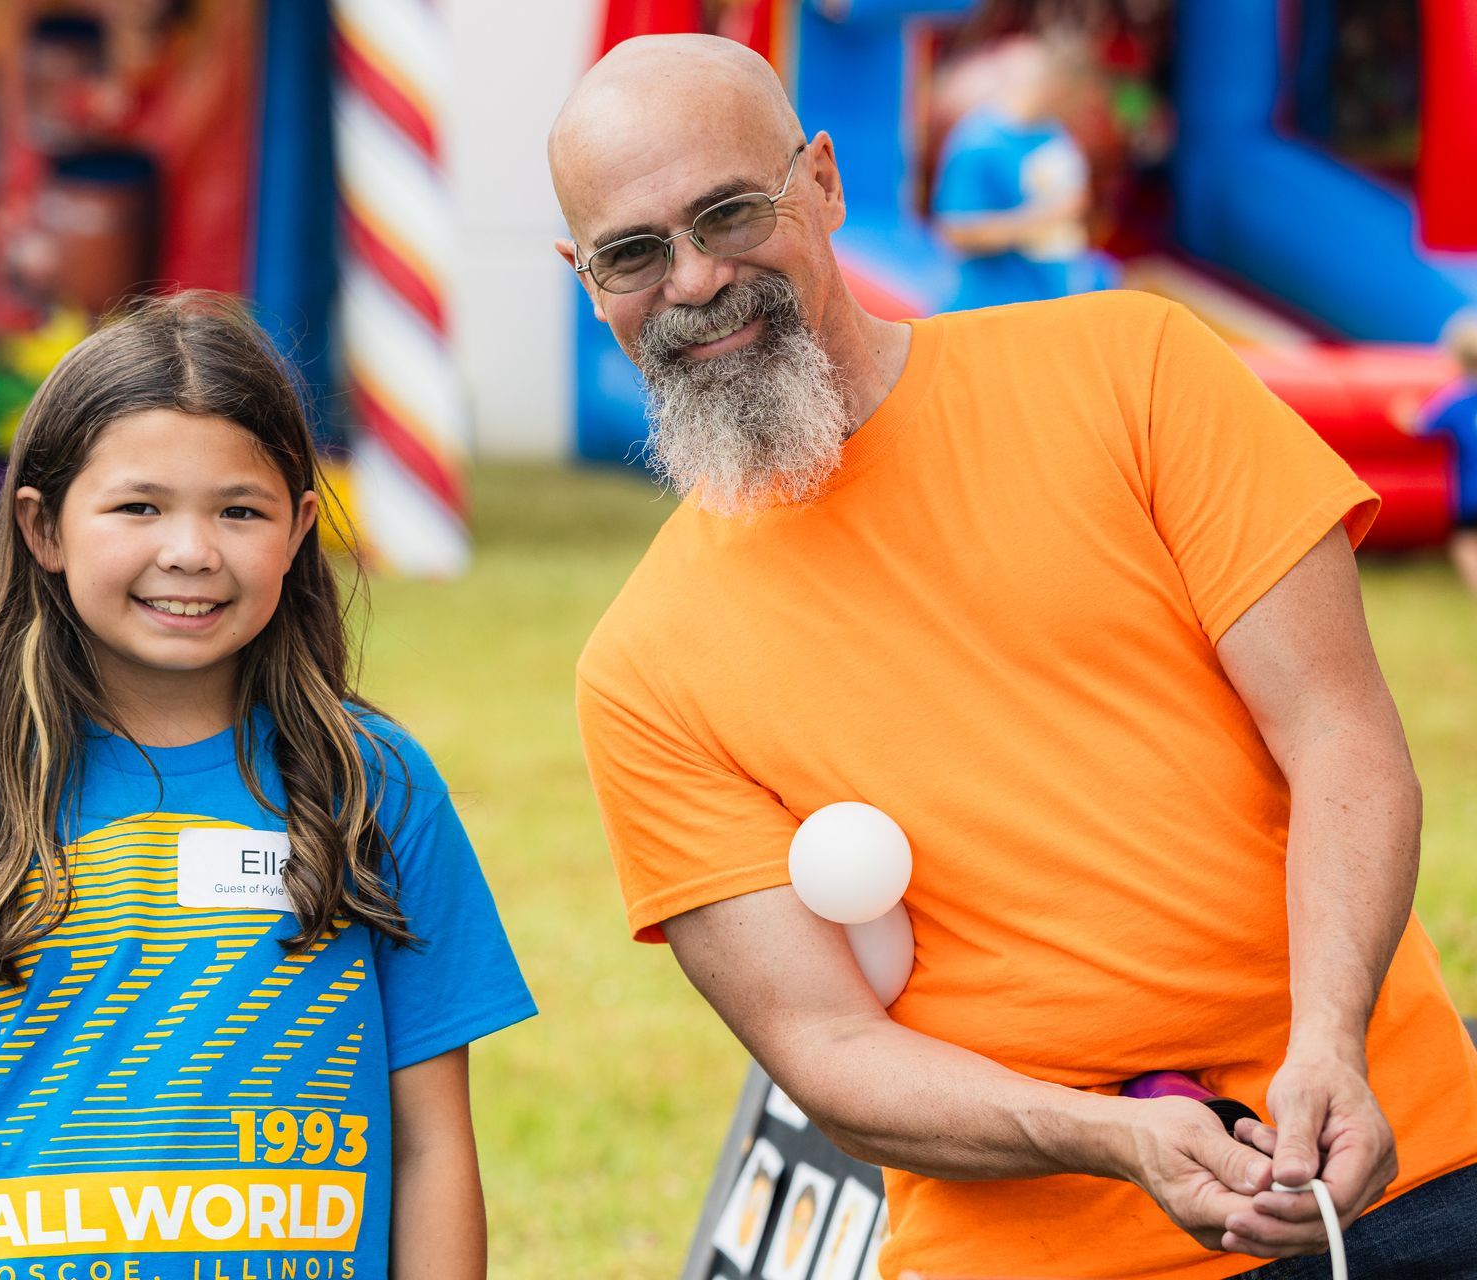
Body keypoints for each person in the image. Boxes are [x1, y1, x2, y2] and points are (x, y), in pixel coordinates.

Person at [552, 34, 1477, 1280]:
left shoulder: (1134, 368)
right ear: (584, 277)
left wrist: (1330, 1046)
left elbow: (1341, 735)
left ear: (822, 182)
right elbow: (826, 1051)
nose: (697, 277)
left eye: (729, 211)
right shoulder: (640, 667)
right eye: (633, 252)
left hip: (1399, 1173)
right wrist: (1110, 1136)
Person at [0, 292, 535, 1280]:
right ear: (44, 528)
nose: (192, 550)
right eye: (139, 505)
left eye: (240, 509)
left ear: (301, 527)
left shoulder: (378, 791)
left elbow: (432, 1146)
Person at [931, 36, 1114, 311]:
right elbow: (955, 232)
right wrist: (1036, 220)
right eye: (1078, 102)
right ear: (1060, 89)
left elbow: (1070, 197)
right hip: (996, 308)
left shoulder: (1053, 131)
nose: (1079, 113)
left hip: (1052, 297)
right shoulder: (979, 143)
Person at [1411, 312, 1477, 593]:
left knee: (1465, 541)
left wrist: (1402, 413)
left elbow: (1422, 426)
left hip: (1469, 494)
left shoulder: (1456, 399)